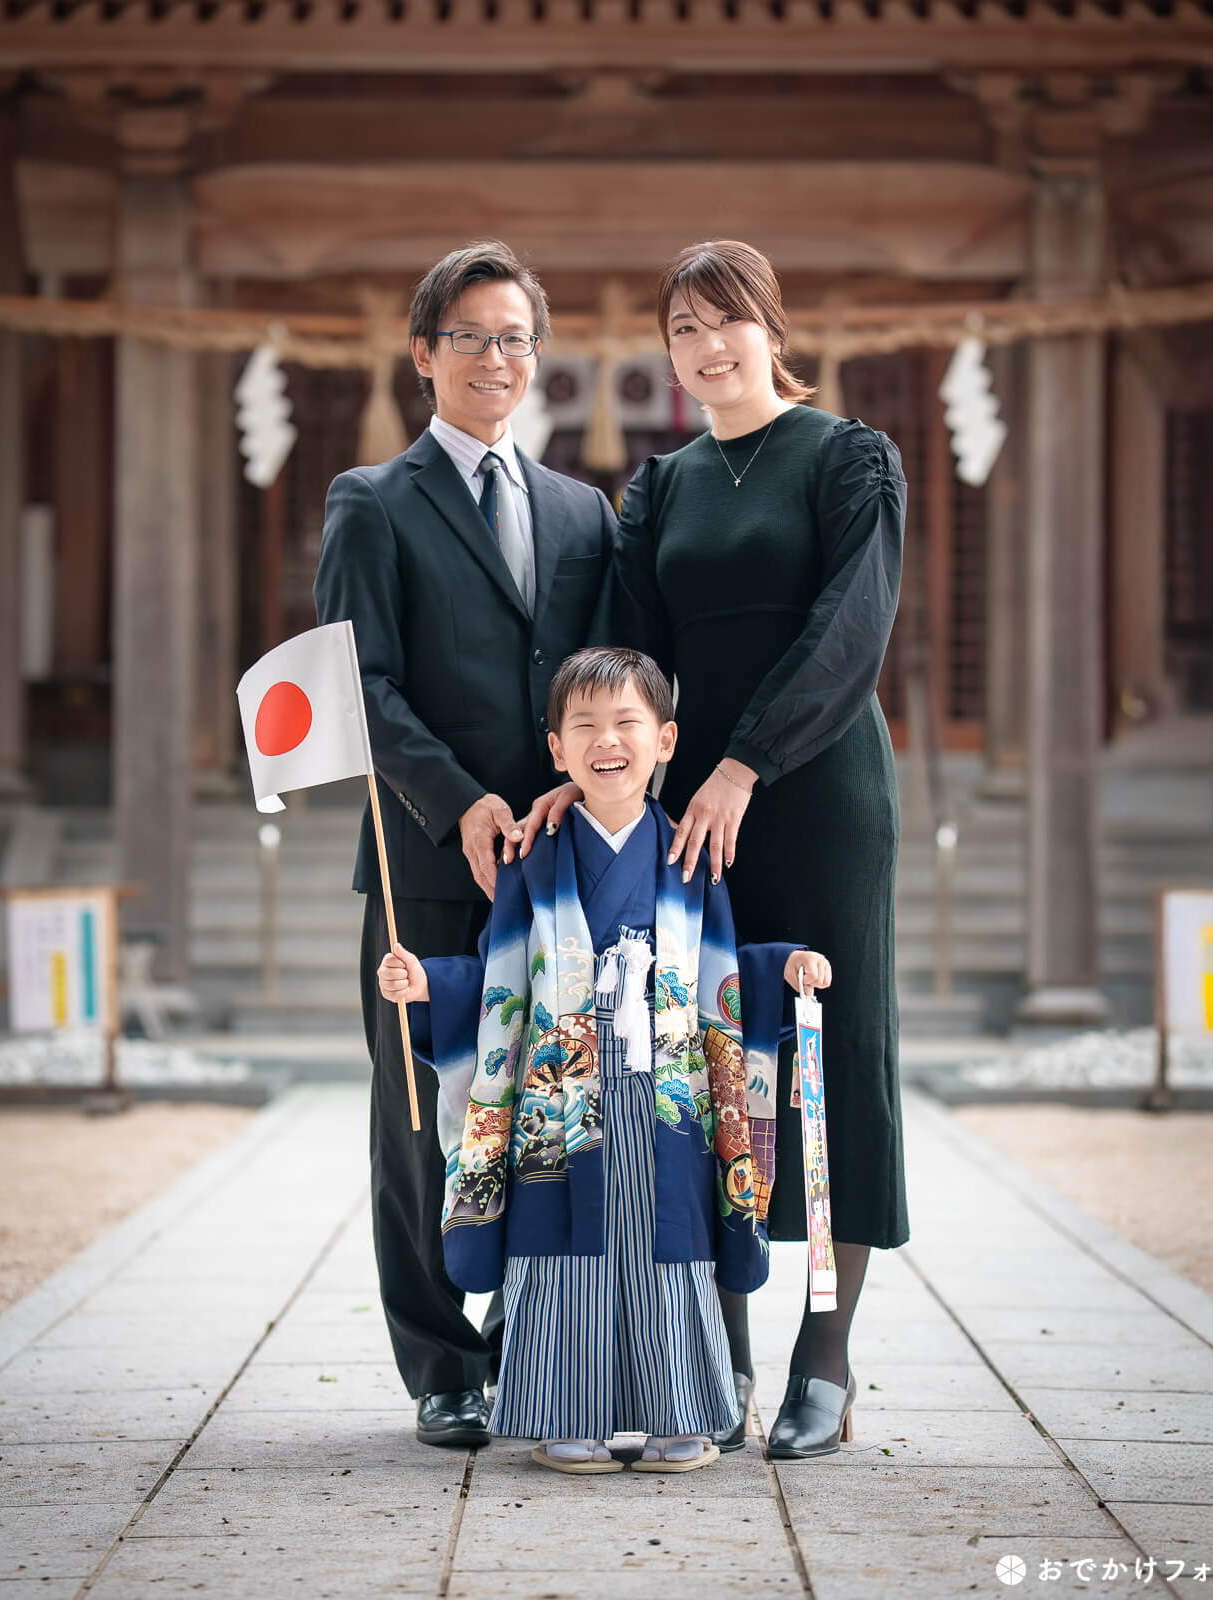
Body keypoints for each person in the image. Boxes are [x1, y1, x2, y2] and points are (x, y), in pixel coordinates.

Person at [514, 240, 909, 1460]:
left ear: (768, 326)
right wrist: (577, 778)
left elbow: (856, 626)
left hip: (815, 787)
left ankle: (823, 1357)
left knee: (825, 1062)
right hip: (686, 815)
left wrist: (746, 758)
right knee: (700, 1060)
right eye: (681, 330)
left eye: (722, 321)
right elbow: (625, 657)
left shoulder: (847, 457)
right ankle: (714, 1349)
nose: (704, 348)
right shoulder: (663, 486)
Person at [377, 648, 831, 1474]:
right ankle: (565, 1411)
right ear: (555, 748)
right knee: (561, 1250)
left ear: (665, 741)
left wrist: (787, 966)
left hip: (669, 1093)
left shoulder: (690, 853)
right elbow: (499, 980)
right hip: (559, 1097)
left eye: (626, 724)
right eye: (583, 726)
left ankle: (679, 1415)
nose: (605, 741)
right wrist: (430, 988)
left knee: (671, 1246)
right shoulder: (530, 859)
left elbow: (721, 971)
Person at [313, 242, 615, 1449]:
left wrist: (565, 800)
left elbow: (605, 680)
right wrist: (458, 801)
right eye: (471, 337)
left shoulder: (580, 510)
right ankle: (442, 1361)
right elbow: (360, 686)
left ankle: (535, 1338)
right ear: (423, 353)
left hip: (557, 866)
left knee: (551, 1107)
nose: (496, 359)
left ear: (535, 358)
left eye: (515, 339)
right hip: (425, 867)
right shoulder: (371, 501)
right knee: (426, 1115)